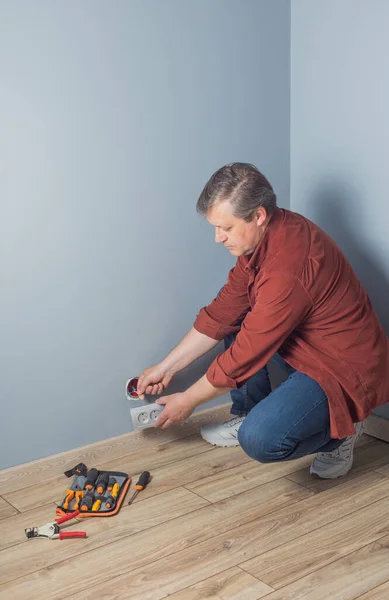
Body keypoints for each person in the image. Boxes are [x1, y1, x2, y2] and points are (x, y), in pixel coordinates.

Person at [136, 163, 389, 479]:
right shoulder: (262, 239)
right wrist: (166, 368)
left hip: (340, 368)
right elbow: (223, 312)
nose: (218, 238)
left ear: (258, 215)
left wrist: (188, 401)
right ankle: (248, 412)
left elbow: (246, 354)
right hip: (304, 345)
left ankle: (341, 433)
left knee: (260, 439)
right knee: (239, 315)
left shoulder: (287, 269)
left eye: (225, 228)